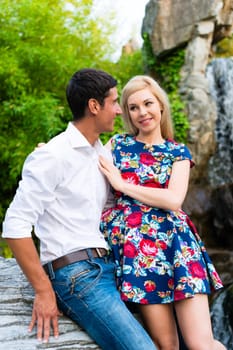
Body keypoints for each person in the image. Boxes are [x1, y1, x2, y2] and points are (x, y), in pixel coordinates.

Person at [1, 69, 157, 350]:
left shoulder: (102, 153)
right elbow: (15, 226)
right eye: (113, 102)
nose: (120, 110)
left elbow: (115, 207)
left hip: (110, 266)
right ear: (94, 106)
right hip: (77, 275)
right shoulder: (52, 155)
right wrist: (43, 290)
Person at [98, 75, 226, 350]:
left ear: (161, 106)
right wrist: (50, 153)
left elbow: (173, 200)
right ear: (128, 114)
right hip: (140, 254)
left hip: (177, 247)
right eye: (133, 107)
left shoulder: (177, 152)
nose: (142, 112)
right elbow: (82, 167)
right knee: (166, 344)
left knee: (201, 343)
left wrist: (123, 185)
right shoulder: (118, 145)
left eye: (147, 103)